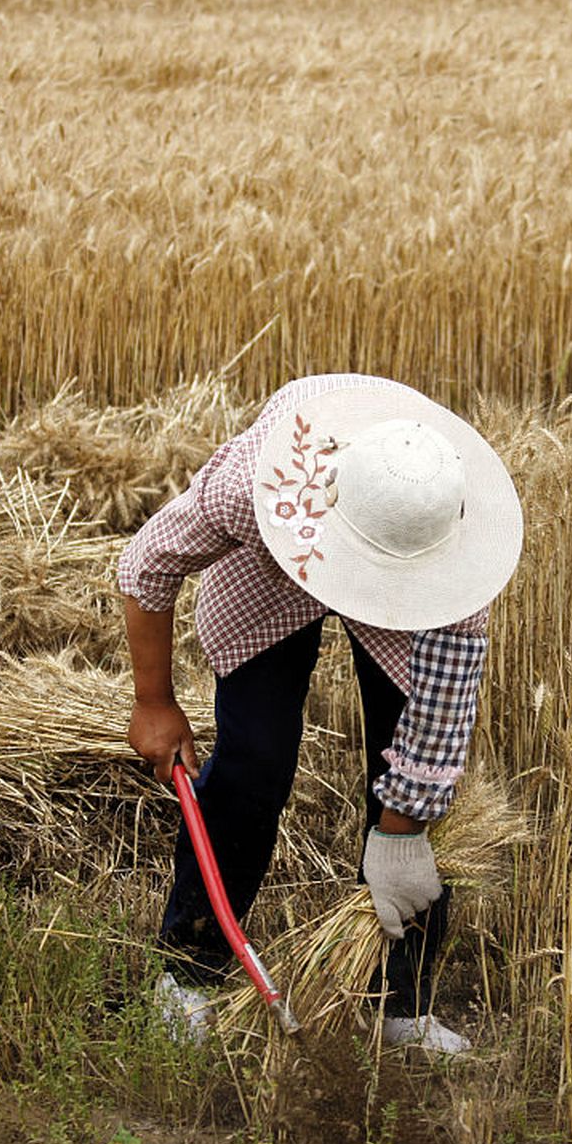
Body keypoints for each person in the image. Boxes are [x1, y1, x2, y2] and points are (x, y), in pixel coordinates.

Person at [116, 373, 523, 1055]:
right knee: (253, 764)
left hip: (408, 596)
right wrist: (153, 703)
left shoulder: (453, 560)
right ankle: (191, 973)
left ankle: (402, 1007)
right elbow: (147, 565)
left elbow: (435, 733)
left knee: (415, 818)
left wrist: (400, 837)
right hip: (276, 566)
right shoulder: (254, 489)